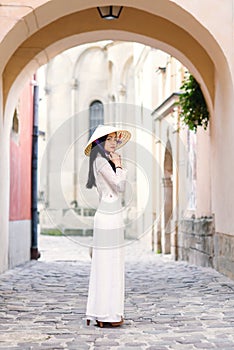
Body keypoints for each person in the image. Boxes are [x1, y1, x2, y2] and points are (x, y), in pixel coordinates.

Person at [84, 124, 131, 328]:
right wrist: (119, 165)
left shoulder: (102, 161)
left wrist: (117, 165)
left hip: (110, 213)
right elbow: (119, 186)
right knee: (107, 263)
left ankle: (109, 313)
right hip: (108, 216)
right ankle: (104, 314)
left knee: (112, 262)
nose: (114, 143)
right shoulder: (101, 162)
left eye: (115, 139)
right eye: (109, 139)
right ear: (100, 143)